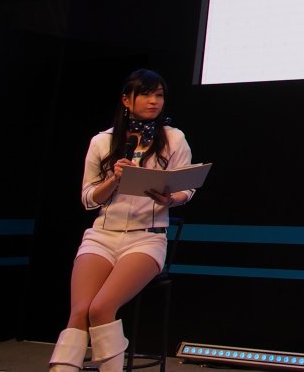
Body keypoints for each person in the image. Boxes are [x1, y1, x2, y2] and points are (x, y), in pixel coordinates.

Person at [47, 70, 195, 372]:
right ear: (126, 100)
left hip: (147, 237)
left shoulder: (173, 138)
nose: (154, 101)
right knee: (80, 311)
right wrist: (113, 179)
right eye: (146, 94)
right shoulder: (102, 141)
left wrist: (170, 199)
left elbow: (187, 188)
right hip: (102, 235)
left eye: (159, 95)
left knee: (101, 308)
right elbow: (88, 199)